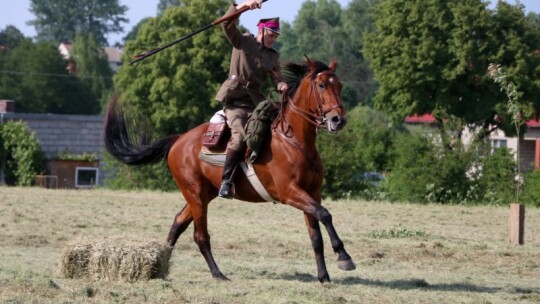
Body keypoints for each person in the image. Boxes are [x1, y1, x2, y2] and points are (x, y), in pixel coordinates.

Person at [215, 0, 288, 199]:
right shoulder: (244, 41)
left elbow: (277, 78)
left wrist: (281, 85)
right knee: (239, 139)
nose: (273, 39)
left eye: (275, 36)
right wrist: (244, 7)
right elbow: (226, 25)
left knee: (280, 130)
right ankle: (226, 182)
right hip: (235, 102)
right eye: (271, 35)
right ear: (261, 30)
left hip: (257, 104)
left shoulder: (273, 56)